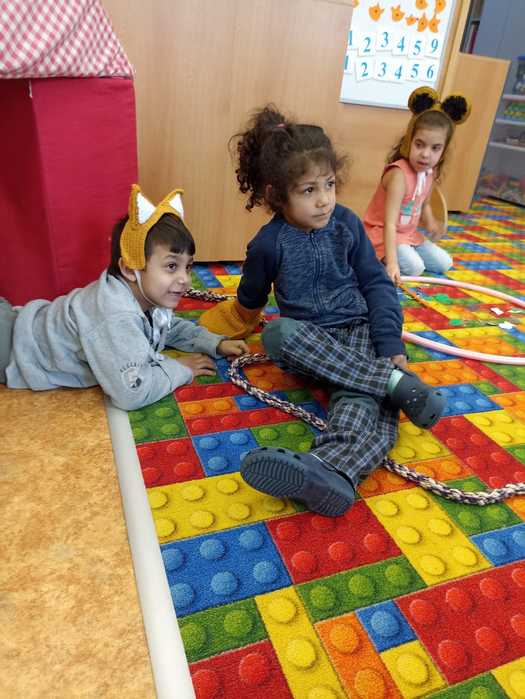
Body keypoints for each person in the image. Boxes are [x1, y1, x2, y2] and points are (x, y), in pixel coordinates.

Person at [198, 105, 446, 518]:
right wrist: (216, 330)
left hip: (358, 331)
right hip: (311, 344)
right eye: (309, 190)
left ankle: (332, 471)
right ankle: (393, 383)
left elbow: (377, 285)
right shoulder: (268, 244)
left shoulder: (346, 224)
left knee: (360, 400)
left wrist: (389, 344)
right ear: (277, 194)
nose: (325, 200)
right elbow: (249, 302)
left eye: (329, 184)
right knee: (277, 333)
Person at [0, 185, 247, 410]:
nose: (185, 279)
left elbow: (167, 328)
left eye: (188, 266)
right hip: (10, 349)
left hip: (19, 323)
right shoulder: (117, 316)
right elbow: (132, 393)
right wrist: (181, 368)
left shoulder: (143, 295)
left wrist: (213, 343)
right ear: (130, 269)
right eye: (172, 266)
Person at [363, 86, 471, 285]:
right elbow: (389, 223)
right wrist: (392, 264)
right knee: (415, 268)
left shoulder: (430, 172)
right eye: (419, 145)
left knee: (444, 263)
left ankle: (405, 252)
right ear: (409, 142)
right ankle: (380, 257)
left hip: (408, 235)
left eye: (435, 148)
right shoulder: (398, 175)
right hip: (382, 234)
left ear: (443, 152)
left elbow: (425, 204)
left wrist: (431, 222)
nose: (425, 154)